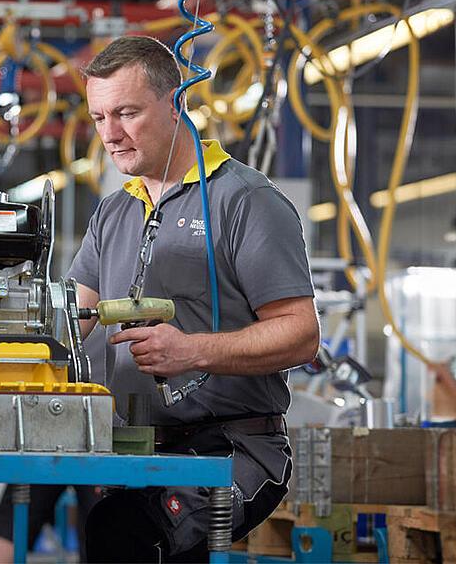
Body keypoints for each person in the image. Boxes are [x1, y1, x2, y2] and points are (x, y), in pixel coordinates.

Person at [71, 36, 321, 561]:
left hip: (230, 449)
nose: (110, 135)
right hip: (139, 447)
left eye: (127, 113)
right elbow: (72, 316)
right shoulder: (115, 211)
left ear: (176, 102)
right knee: (99, 526)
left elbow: (301, 333)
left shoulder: (246, 202)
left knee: (124, 535)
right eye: (99, 118)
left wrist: (191, 352)